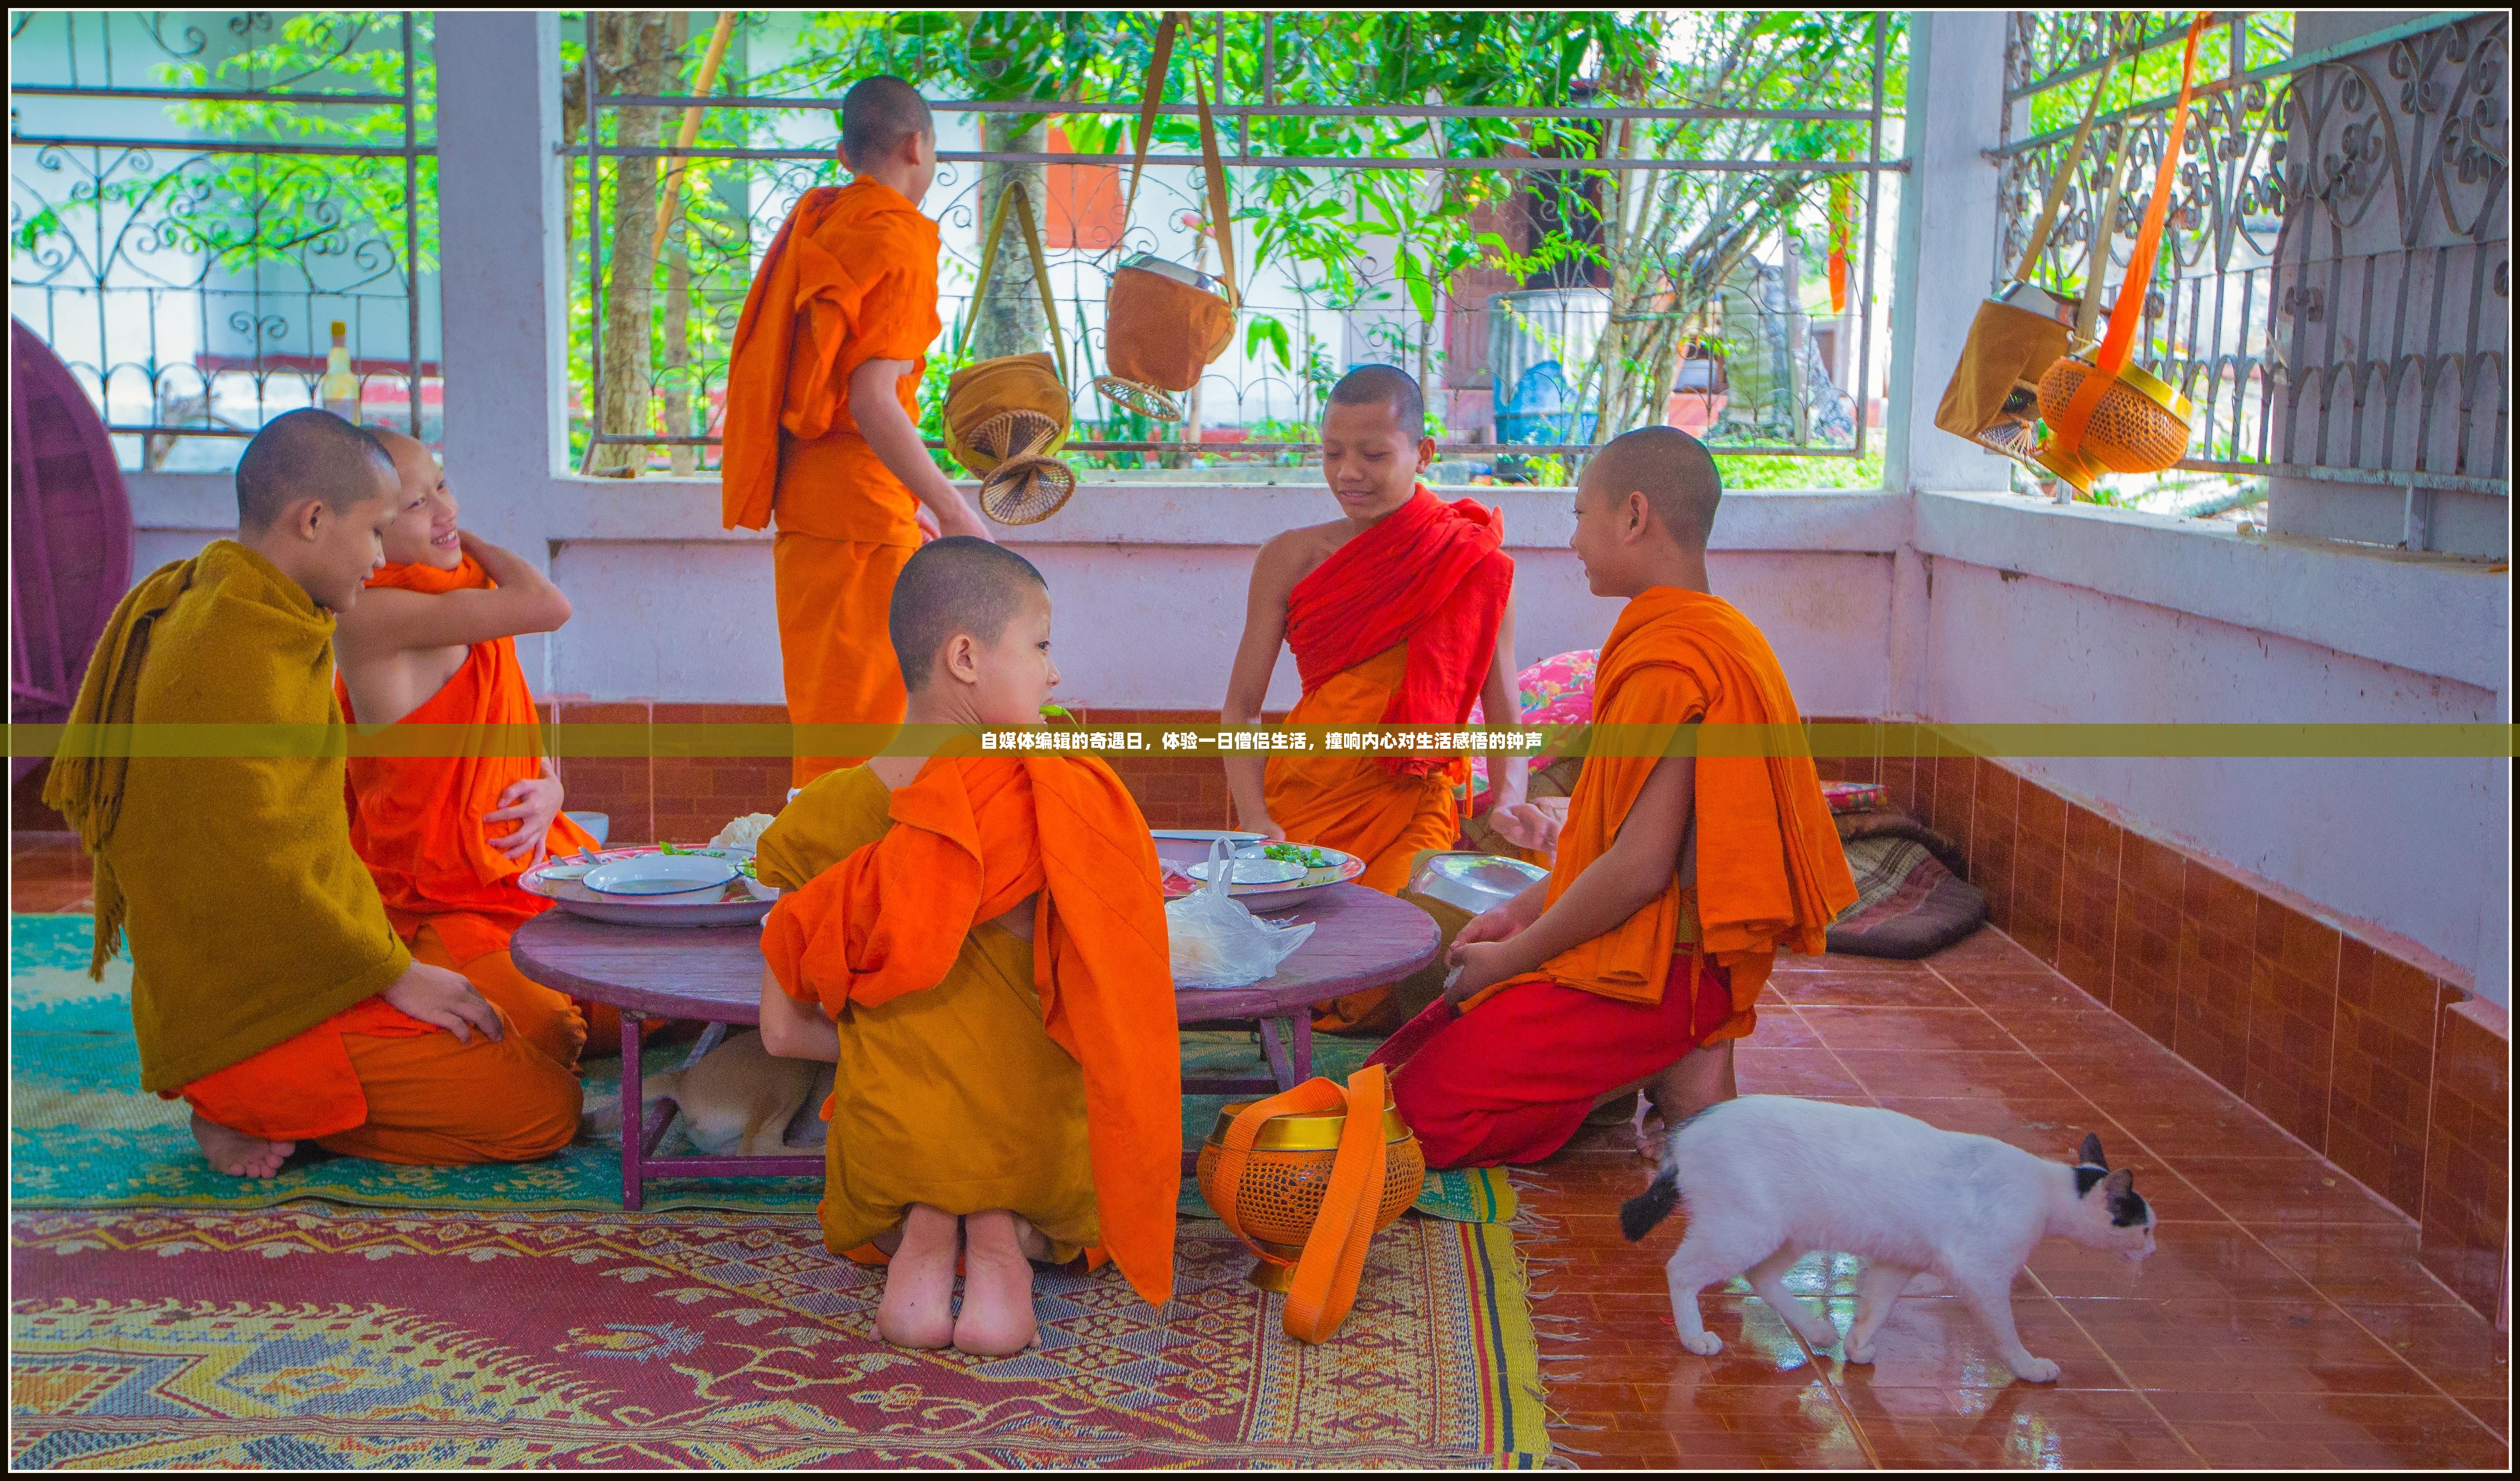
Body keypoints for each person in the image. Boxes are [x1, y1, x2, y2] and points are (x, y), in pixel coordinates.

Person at [44, 409, 581, 1179]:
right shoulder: (234, 649)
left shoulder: (256, 609)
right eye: (372, 530)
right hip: (259, 1006)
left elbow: (313, 832)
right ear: (313, 519)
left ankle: (280, 1096)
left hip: (310, 955)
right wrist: (395, 973)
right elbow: (270, 864)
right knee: (542, 1108)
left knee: (535, 1035)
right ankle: (244, 1098)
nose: (374, 554)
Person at [1370, 426, 1856, 1168]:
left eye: (1577, 514)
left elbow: (1636, 868)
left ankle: (1659, 1057)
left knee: (1407, 1115)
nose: (1572, 537)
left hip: (1659, 970)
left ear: (1632, 516)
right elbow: (1614, 842)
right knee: (1437, 1032)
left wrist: (1514, 958)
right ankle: (1678, 1065)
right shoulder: (1714, 635)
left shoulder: (1670, 660)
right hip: (1671, 954)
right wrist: (1517, 912)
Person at [752, 538, 1179, 1357]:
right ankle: (997, 1241)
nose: (1054, 674)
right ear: (965, 657)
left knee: (924, 1123)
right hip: (1036, 1153)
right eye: (1042, 645)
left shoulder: (819, 817)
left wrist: (902, 1055)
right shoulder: (1059, 790)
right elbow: (1121, 995)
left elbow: (779, 1031)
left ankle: (923, 1227)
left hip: (887, 1145)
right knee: (1024, 1113)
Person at [1218, 365, 1552, 1035]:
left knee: (1393, 947)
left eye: (1373, 454)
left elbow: (1502, 708)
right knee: (1282, 957)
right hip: (1305, 795)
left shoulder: (1470, 560)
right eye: (1333, 453)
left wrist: (1510, 795)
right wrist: (1255, 815)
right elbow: (1241, 709)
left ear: (1423, 453)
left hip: (1410, 800)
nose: (1349, 473)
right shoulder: (1291, 557)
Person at [721, 74, 993, 790]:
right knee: (871, 746)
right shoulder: (897, 235)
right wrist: (952, 505)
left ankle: (839, 891)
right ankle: (851, 896)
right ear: (916, 145)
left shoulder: (825, 219)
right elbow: (873, 399)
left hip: (817, 508)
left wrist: (906, 510)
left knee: (834, 727)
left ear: (845, 154)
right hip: (857, 520)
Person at [332, 430, 621, 1063]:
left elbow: (523, 750)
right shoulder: (372, 613)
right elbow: (549, 605)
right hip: (444, 897)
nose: (446, 510)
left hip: (526, 869)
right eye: (416, 505)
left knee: (649, 997)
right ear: (371, 530)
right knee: (555, 1035)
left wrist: (553, 791)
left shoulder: (462, 594)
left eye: (443, 485)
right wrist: (474, 547)